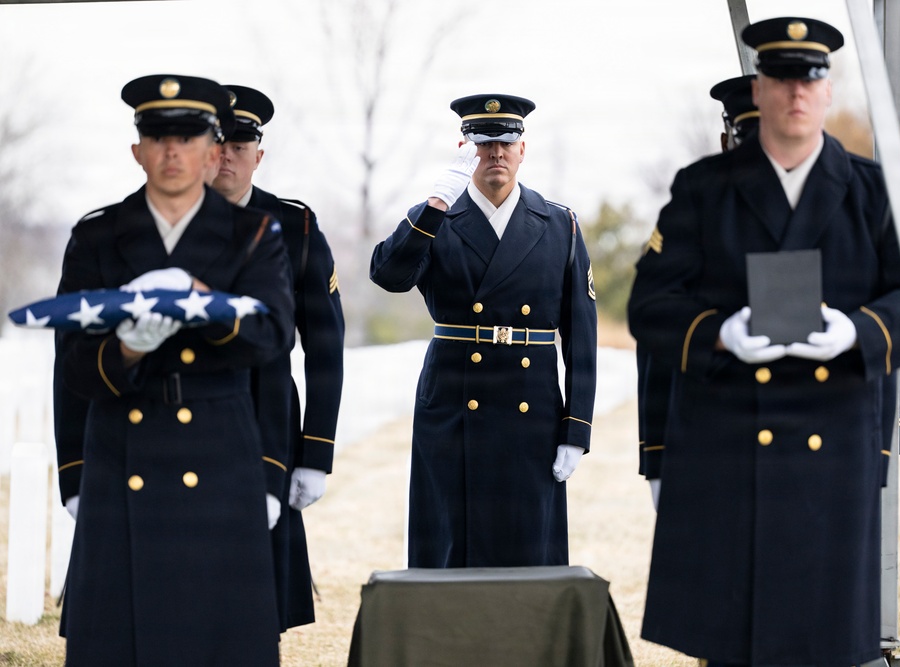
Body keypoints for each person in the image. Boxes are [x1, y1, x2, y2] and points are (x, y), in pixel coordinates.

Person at [627, 18, 900, 667]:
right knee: (735, 646)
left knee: (823, 642)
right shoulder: (702, 189)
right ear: (759, 88)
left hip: (831, 457)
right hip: (729, 449)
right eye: (780, 78)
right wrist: (721, 334)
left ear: (828, 91)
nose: (796, 92)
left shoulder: (877, 192)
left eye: (810, 77)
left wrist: (856, 332)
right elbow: (650, 305)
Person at [54, 74, 295, 666]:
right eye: (157, 137)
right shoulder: (97, 235)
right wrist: (128, 347)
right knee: (119, 643)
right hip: (121, 454)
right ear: (137, 150)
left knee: (220, 643)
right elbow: (73, 367)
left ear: (212, 152)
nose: (171, 152)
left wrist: (202, 302)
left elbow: (273, 338)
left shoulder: (254, 234)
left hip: (220, 457)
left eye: (186, 138)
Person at [370, 93, 598, 568]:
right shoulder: (436, 217)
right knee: (451, 542)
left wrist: (576, 428)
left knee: (527, 548)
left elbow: (582, 336)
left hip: (531, 409)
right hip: (453, 405)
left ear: (522, 150)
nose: (495, 153)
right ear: (464, 149)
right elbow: (389, 276)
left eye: (506, 142)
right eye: (483, 143)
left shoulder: (561, 224)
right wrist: (436, 203)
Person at [212, 84, 345, 631]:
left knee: (260, 593)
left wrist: (316, 453)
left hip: (266, 419)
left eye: (239, 148)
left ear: (258, 156)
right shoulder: (163, 221)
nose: (226, 157)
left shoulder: (296, 226)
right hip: (184, 416)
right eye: (217, 145)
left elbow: (326, 348)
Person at [638, 74, 761, 510]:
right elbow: (656, 340)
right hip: (711, 433)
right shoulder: (690, 219)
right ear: (727, 140)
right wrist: (656, 456)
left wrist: (887, 437)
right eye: (748, 136)